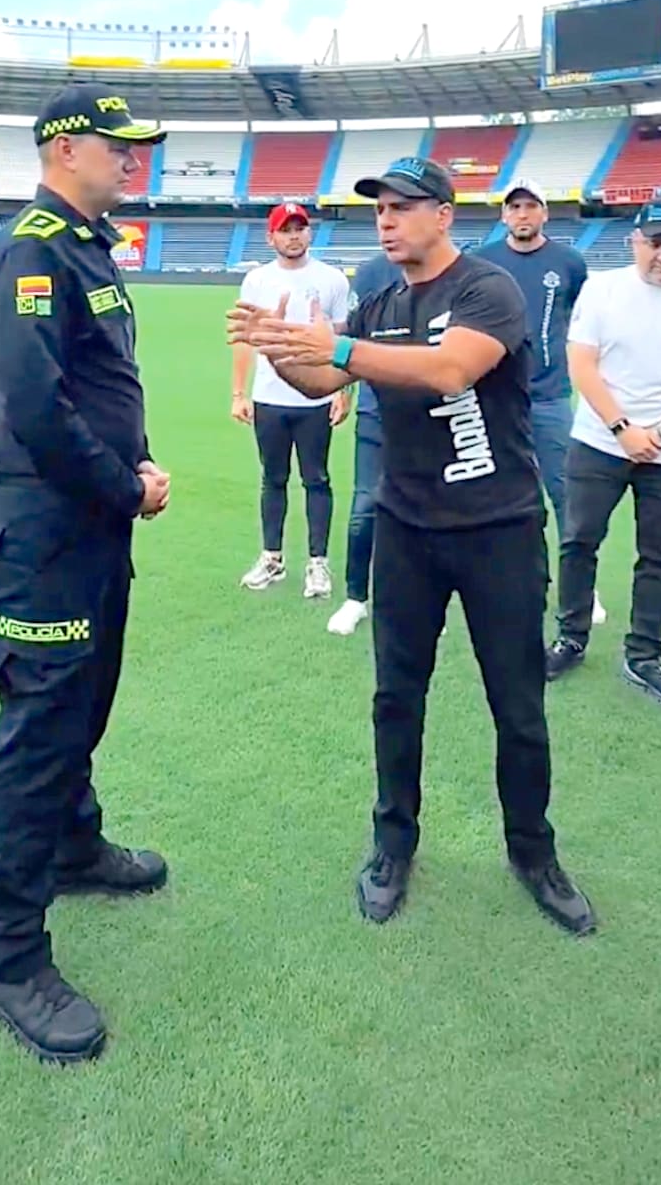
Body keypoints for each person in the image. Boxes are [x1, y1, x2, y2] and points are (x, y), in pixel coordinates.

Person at [228, 156, 596, 937]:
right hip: (406, 532)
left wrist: (334, 349)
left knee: (517, 705)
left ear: (444, 215)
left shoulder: (488, 288)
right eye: (379, 210)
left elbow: (450, 369)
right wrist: (279, 347)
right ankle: (393, 844)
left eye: (403, 206)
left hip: (498, 530)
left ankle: (533, 853)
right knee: (397, 698)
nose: (387, 221)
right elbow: (321, 385)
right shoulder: (381, 302)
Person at [0, 83, 171, 1065]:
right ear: (64, 148)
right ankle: (10, 959)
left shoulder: (88, 246)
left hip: (91, 528)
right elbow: (38, 408)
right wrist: (126, 488)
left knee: (82, 705)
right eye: (117, 144)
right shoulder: (32, 250)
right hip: (44, 534)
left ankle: (74, 846)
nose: (133, 158)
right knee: (39, 734)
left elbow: (104, 387)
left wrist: (140, 462)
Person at [545, 200, 661, 708]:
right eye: (655, 244)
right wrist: (623, 428)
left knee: (658, 557)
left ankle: (644, 655)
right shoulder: (603, 289)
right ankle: (570, 638)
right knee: (578, 542)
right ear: (635, 241)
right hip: (599, 442)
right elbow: (582, 365)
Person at [477, 178, 606, 626]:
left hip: (550, 397)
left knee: (567, 494)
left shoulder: (569, 263)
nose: (523, 214)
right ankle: (501, 580)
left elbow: (585, 322)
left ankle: (581, 589)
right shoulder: (483, 260)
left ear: (545, 213)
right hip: (496, 399)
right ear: (504, 215)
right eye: (514, 207)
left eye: (531, 206)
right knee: (498, 494)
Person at [231, 202, 351, 599]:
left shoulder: (332, 279)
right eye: (286, 230)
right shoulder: (257, 280)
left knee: (317, 479)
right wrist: (239, 393)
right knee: (273, 479)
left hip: (316, 399)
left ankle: (318, 563)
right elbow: (245, 339)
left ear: (309, 233)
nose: (294, 236)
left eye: (300, 228)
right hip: (269, 397)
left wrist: (342, 390)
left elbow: (341, 340)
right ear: (271, 238)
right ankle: (272, 557)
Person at [326, 251, 399, 636]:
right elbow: (350, 340)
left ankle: (421, 598)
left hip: (433, 417)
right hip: (376, 411)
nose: (390, 225)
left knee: (432, 512)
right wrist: (345, 391)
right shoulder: (372, 273)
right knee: (364, 508)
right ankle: (356, 598)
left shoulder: (454, 275)